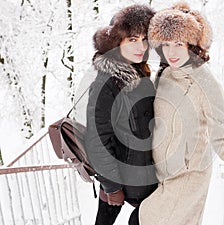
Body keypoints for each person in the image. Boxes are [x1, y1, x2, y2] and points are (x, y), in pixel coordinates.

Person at [136, 3, 224, 225]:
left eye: (178, 44)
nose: (171, 51)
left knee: (141, 219)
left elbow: (223, 137)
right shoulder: (164, 75)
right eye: (165, 44)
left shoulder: (205, 82)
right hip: (163, 178)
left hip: (187, 179)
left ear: (192, 45)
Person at [84, 4, 157, 225]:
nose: (141, 46)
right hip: (123, 179)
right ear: (117, 43)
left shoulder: (139, 73)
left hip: (142, 174)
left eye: (144, 39)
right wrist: (112, 186)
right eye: (132, 40)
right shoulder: (106, 84)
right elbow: (97, 139)